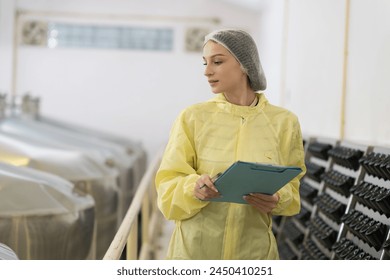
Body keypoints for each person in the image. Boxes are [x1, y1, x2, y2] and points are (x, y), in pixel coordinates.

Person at [155, 29, 306, 260]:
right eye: (205, 63)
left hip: (254, 256)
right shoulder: (193, 117)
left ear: (245, 64)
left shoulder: (284, 123)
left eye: (217, 61)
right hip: (194, 254)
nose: (207, 71)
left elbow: (293, 190)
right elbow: (166, 188)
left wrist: (277, 198)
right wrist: (192, 187)